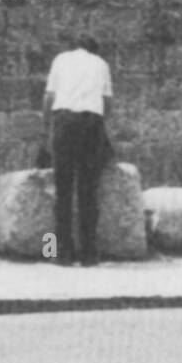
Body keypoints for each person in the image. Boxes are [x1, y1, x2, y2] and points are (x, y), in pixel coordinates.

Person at [42, 35, 114, 266]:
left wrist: (48, 126)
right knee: (88, 189)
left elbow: (49, 97)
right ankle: (89, 253)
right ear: (94, 50)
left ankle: (62, 253)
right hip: (91, 121)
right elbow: (107, 102)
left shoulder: (60, 59)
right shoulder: (101, 64)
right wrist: (99, 123)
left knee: (63, 189)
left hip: (64, 120)